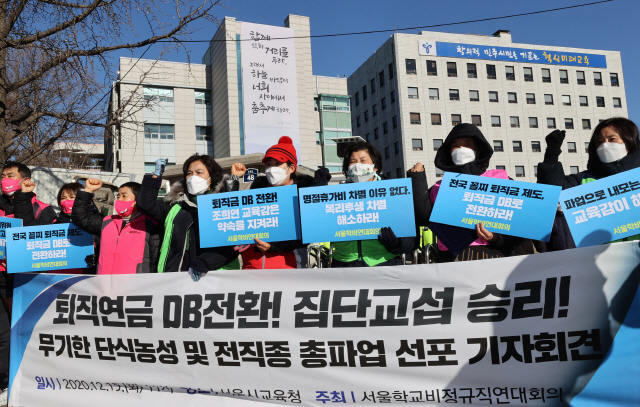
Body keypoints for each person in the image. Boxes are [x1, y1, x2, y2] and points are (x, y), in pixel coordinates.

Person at [409, 123, 535, 262]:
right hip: (450, 257)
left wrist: (496, 238)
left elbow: (523, 223)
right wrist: (417, 178)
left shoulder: (501, 180)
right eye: (455, 145)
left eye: (467, 144)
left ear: (478, 150)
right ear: (449, 152)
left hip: (490, 255)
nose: (461, 148)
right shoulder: (439, 187)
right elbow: (423, 218)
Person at [537, 117, 640, 248]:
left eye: (612, 139)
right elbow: (551, 192)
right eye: (599, 141)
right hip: (599, 259)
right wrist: (551, 154)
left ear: (629, 140)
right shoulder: (584, 179)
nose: (604, 144)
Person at [136, 154, 239, 280]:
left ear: (212, 177)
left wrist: (206, 261)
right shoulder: (175, 206)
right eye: (189, 173)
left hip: (210, 272)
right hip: (175, 272)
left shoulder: (221, 205)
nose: (193, 177)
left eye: (199, 172)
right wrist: (155, 176)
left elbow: (231, 242)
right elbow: (146, 204)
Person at [315, 141, 416, 267]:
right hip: (343, 264)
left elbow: (411, 239)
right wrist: (318, 190)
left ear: (375, 166)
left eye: (363, 160)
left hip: (383, 263)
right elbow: (319, 223)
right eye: (352, 161)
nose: (357, 165)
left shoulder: (393, 194)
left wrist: (397, 244)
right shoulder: (337, 197)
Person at [230, 136, 317, 269]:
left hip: (289, 265)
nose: (272, 168)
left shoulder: (303, 193)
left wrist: (274, 246)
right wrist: (234, 179)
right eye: (269, 164)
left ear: (291, 168)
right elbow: (233, 214)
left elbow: (309, 232)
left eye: (278, 163)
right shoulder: (256, 192)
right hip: (252, 266)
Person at [71, 179, 160, 274]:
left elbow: (155, 260)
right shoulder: (107, 222)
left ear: (137, 200)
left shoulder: (149, 225)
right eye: (118, 196)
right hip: (104, 284)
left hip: (134, 286)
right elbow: (80, 218)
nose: (119, 200)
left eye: (124, 196)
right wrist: (88, 190)